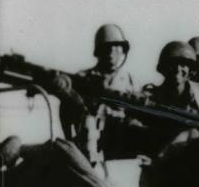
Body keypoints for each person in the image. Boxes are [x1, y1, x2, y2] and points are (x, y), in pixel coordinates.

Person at [52, 23, 138, 162]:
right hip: (87, 147)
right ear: (99, 51)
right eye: (106, 47)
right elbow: (65, 110)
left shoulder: (129, 81)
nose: (111, 51)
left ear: (123, 50)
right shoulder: (83, 78)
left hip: (117, 149)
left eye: (116, 46)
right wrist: (69, 139)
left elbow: (134, 115)